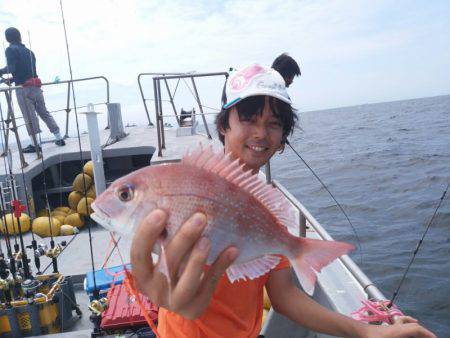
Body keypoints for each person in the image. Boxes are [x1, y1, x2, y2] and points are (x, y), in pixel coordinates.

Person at [130, 65, 435, 338]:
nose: (261, 133)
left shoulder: (267, 211)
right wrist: (163, 279)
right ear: (223, 125)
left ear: (283, 135)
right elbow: (164, 267)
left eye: (274, 124)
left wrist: (365, 332)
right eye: (248, 119)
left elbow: (284, 294)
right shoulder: (189, 185)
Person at [0, 27, 65, 153]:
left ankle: (35, 145)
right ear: (19, 37)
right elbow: (28, 71)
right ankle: (59, 138)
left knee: (29, 116)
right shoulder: (29, 51)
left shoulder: (10, 49)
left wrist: (1, 72)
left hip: (24, 89)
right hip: (36, 87)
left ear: (7, 38)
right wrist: (13, 80)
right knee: (44, 112)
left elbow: (12, 68)